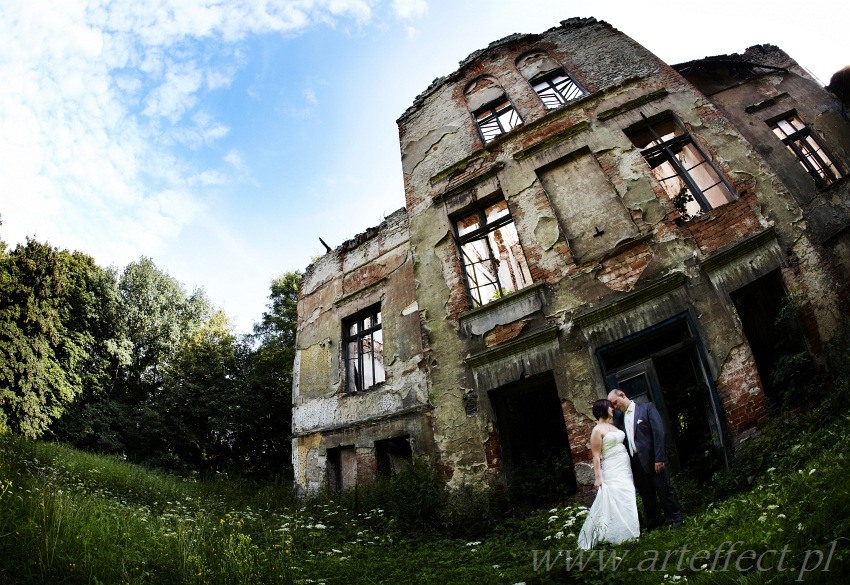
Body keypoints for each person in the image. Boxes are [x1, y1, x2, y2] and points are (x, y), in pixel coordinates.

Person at [607, 388, 684, 530]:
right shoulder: (619, 419)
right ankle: (655, 524)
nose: (615, 406)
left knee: (664, 489)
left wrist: (659, 458)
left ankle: (676, 518)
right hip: (635, 463)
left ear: (623, 395)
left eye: (615, 402)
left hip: (654, 459)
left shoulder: (647, 408)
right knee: (646, 495)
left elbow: (659, 432)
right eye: (612, 405)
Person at [577, 399, 640, 549]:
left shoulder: (613, 426)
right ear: (602, 409)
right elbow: (596, 456)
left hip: (624, 467)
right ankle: (617, 535)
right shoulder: (597, 430)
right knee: (616, 497)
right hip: (612, 467)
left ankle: (631, 531)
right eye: (610, 407)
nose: (613, 409)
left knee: (628, 495)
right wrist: (599, 477)